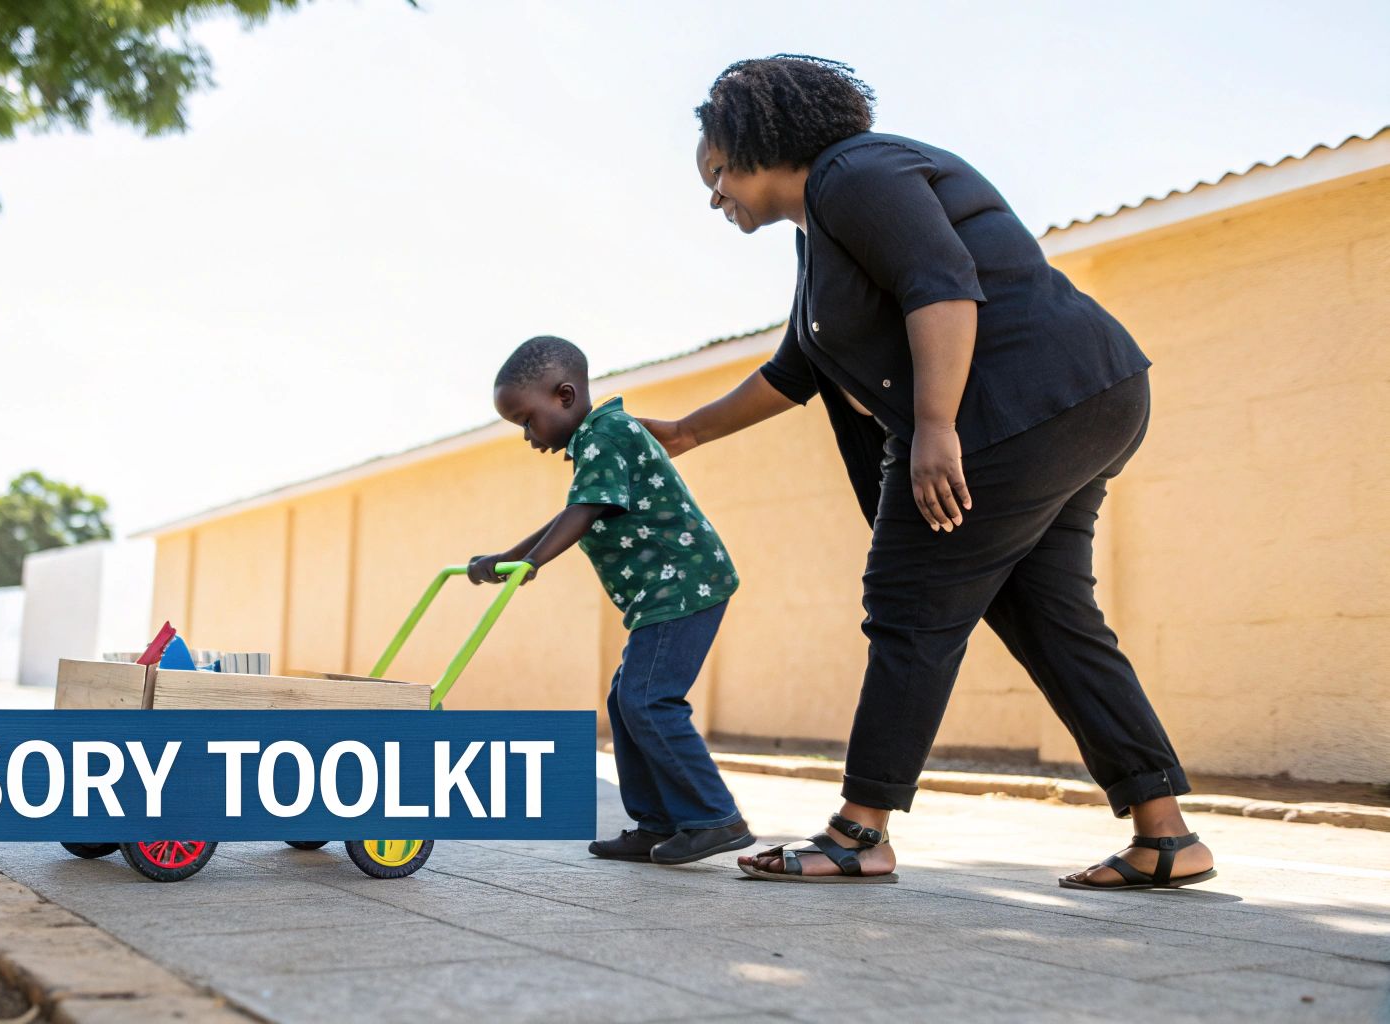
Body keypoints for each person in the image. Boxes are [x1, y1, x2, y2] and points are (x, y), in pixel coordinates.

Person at [640, 55, 1215, 890]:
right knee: (1053, 619)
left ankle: (858, 831)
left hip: (1013, 411)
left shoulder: (856, 174)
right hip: (1078, 398)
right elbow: (798, 366)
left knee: (910, 605)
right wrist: (688, 432)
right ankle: (1164, 834)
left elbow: (940, 284)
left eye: (718, 173)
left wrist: (936, 428)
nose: (715, 195)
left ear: (759, 146)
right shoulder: (824, 230)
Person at [469, 336, 754, 865]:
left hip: (685, 586)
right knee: (627, 701)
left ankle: (715, 817)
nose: (527, 436)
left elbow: (586, 509)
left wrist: (533, 563)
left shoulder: (606, 435)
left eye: (527, 421)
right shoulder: (597, 441)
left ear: (565, 395)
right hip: (661, 594)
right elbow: (572, 511)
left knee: (648, 700)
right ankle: (657, 823)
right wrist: (508, 555)